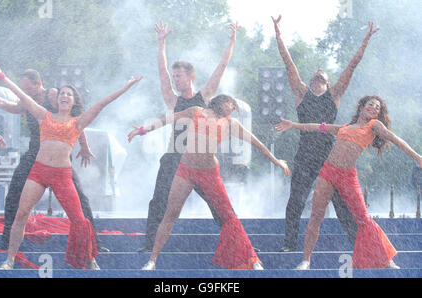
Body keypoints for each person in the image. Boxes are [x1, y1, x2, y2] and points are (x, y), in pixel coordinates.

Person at [0, 61, 142, 269]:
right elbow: (21, 96)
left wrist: (126, 87)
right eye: (61, 94)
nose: (64, 96)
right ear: (56, 100)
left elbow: (102, 103)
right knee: (21, 213)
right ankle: (9, 259)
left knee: (79, 219)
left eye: (68, 94)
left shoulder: (78, 122)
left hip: (62, 175)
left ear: (73, 101)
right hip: (38, 171)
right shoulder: (43, 115)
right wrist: (2, 76)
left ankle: (90, 257)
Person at [129, 94, 290, 270]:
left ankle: (252, 259)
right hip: (186, 170)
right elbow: (167, 119)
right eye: (232, 105)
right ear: (222, 101)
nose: (232, 110)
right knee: (171, 214)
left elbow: (256, 143)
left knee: (228, 216)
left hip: (209, 173)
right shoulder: (196, 111)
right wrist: (142, 130)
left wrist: (276, 161)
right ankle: (152, 260)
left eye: (234, 109)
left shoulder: (230, 124)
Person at [274, 95, 422, 269]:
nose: (373, 108)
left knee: (364, 219)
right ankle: (306, 260)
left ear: (377, 114)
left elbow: (396, 140)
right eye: (371, 104)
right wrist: (293, 125)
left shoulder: (374, 126)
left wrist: (418, 157)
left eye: (377, 108)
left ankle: (386, 259)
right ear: (362, 106)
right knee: (316, 215)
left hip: (348, 176)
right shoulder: (344, 127)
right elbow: (317, 127)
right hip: (328, 172)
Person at [271, 15, 379, 252]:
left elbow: (351, 66)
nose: (318, 76)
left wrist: (365, 42)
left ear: (329, 84)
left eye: (322, 77)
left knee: (341, 205)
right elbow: (288, 63)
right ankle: (290, 245)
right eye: (315, 76)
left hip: (330, 158)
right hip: (305, 156)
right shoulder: (301, 93)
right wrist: (278, 34)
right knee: (296, 202)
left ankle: (358, 246)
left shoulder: (334, 95)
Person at [0, 68, 107, 252]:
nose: (25, 93)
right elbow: (4, 103)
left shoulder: (53, 95)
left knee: (80, 198)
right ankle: (7, 241)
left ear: (39, 84)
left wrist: (84, 146)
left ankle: (95, 243)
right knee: (14, 194)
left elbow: (74, 120)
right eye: (24, 89)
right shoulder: (27, 103)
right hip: (35, 153)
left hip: (59, 155)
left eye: (28, 89)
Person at [138, 21, 240, 253]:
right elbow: (162, 73)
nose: (176, 80)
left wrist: (232, 42)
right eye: (175, 77)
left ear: (190, 76)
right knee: (158, 202)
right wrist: (161, 42)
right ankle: (149, 247)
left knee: (219, 205)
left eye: (180, 76)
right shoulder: (174, 100)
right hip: (174, 158)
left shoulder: (204, 97)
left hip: (200, 161)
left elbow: (221, 67)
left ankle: (237, 244)